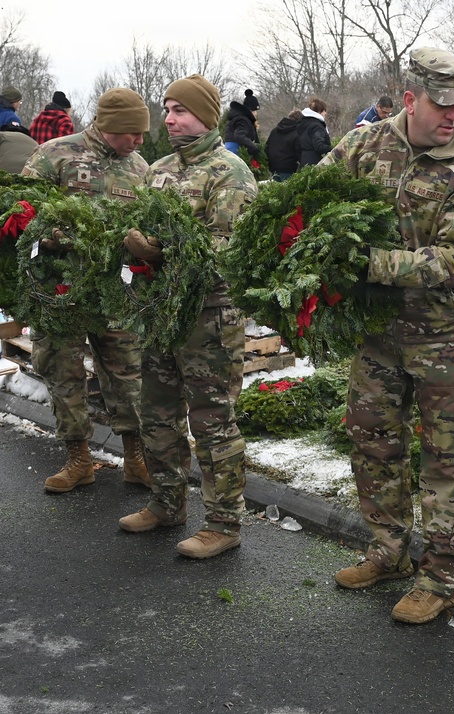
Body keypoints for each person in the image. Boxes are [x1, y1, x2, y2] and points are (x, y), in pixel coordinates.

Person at [321, 47, 454, 625]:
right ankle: (389, 549)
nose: (452, 116)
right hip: (378, 336)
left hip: (446, 336)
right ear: (409, 100)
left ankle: (442, 574)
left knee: (449, 460)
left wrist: (364, 264)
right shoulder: (365, 144)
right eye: (440, 104)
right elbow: (317, 196)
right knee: (373, 440)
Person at [117, 74, 258, 560]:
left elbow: (229, 249)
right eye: (167, 108)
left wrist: (163, 251)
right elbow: (134, 223)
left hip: (209, 318)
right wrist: (130, 243)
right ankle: (166, 502)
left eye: (179, 110)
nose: (169, 118)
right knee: (156, 413)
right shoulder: (157, 169)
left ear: (206, 115)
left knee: (213, 420)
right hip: (159, 313)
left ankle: (222, 522)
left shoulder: (229, 173)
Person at [20, 88, 152, 493]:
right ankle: (78, 458)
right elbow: (19, 212)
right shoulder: (54, 155)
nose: (140, 141)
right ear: (112, 126)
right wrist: (49, 234)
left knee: (128, 372)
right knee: (63, 371)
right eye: (134, 132)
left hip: (115, 290)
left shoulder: (140, 168)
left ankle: (136, 457)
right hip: (60, 290)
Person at [265, 109, 302, 181]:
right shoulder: (296, 133)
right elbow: (299, 152)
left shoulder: (274, 131)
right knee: (287, 191)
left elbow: (267, 147)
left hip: (273, 167)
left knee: (275, 190)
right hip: (289, 168)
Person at [223, 89, 261, 159]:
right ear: (249, 110)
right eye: (254, 110)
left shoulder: (239, 118)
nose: (256, 113)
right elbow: (239, 136)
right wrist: (253, 148)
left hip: (231, 148)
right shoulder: (243, 120)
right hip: (235, 150)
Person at [298, 97, 331, 166]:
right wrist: (333, 148)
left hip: (304, 160)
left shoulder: (305, 123)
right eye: (324, 111)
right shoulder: (317, 126)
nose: (325, 113)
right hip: (315, 162)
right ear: (320, 111)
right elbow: (319, 146)